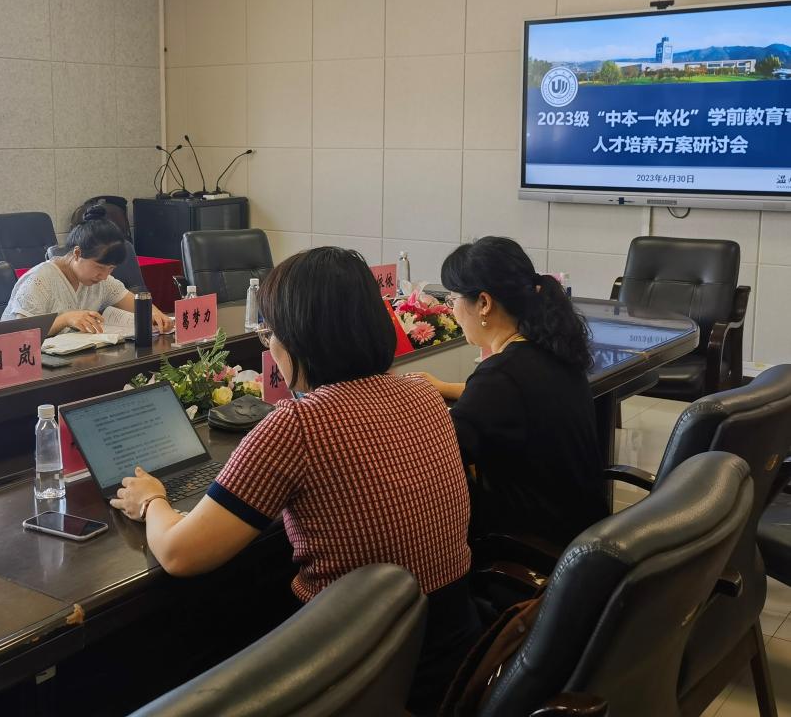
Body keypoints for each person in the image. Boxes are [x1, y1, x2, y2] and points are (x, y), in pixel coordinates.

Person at [110, 247, 479, 713]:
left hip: (357, 675)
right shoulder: (421, 393)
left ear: (298, 338)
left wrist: (152, 501)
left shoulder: (298, 424)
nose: (270, 347)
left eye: (270, 333)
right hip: (452, 657)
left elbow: (180, 554)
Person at [415, 236, 608, 545]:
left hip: (535, 544)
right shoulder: (550, 349)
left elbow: (439, 457)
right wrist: (442, 388)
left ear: (484, 303)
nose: (452, 311)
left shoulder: (499, 377)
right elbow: (516, 397)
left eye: (453, 300)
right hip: (583, 531)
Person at [1, 205, 171, 335]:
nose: (104, 276)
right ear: (77, 253)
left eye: (111, 268)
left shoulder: (102, 281)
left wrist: (156, 315)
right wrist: (65, 319)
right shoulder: (40, 280)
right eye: (99, 267)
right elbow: (20, 332)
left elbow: (137, 304)